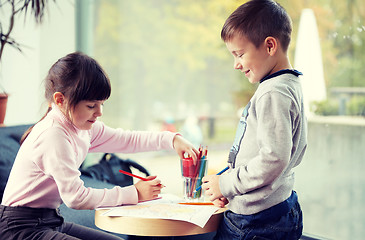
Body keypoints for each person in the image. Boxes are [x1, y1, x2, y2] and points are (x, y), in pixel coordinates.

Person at [0, 52, 199, 240]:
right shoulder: (54, 135)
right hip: (20, 228)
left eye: (102, 104)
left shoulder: (81, 127)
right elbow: (76, 197)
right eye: (91, 106)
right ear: (60, 100)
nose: (99, 112)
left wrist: (171, 139)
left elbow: (127, 140)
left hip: (50, 220)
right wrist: (134, 193)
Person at [201, 1, 307, 239]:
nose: (236, 64)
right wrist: (225, 183)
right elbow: (285, 153)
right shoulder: (290, 84)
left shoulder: (272, 92)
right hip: (279, 208)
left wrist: (227, 185)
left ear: (270, 45)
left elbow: (273, 159)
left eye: (239, 54)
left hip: (254, 222)